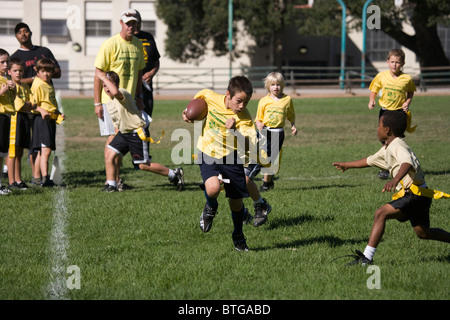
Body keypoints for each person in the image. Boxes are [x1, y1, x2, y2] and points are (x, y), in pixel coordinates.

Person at [332, 111, 450, 266]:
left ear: (387, 129)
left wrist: (395, 179)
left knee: (381, 213)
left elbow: (407, 163)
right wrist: (347, 165)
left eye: (379, 125)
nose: (377, 129)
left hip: (415, 195)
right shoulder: (388, 147)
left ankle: (367, 258)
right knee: (423, 233)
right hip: (419, 196)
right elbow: (370, 160)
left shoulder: (398, 145)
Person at [183, 76, 258, 251]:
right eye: (239, 101)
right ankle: (211, 206)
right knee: (213, 188)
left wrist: (235, 131)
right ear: (227, 95)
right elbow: (196, 104)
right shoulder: (209, 96)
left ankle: (238, 236)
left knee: (236, 203)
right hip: (207, 151)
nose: (241, 106)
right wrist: (186, 112)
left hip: (231, 157)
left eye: (246, 102)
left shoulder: (244, 118)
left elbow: (249, 145)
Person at [96, 69, 184, 192]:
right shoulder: (110, 103)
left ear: (116, 84)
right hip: (124, 133)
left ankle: (174, 174)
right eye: (104, 86)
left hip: (136, 133)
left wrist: (103, 77)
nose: (106, 88)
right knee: (110, 154)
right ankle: (111, 185)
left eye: (109, 84)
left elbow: (115, 91)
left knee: (142, 165)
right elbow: (117, 123)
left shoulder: (122, 93)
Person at [94, 9, 146, 191]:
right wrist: (97, 103)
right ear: (121, 23)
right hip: (110, 103)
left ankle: (115, 181)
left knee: (119, 141)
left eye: (134, 23)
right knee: (113, 140)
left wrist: (139, 97)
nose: (131, 26)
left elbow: (139, 73)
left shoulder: (138, 44)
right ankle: (112, 181)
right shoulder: (110, 44)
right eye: (128, 23)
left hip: (128, 103)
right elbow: (98, 74)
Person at [10, 22, 61, 181]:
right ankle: (35, 175)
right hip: (30, 104)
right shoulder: (15, 57)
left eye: (26, 31)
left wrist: (48, 71)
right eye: (20, 32)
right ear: (16, 36)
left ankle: (38, 176)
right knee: (34, 145)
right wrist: (34, 78)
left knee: (43, 144)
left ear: (31, 33)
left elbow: (57, 72)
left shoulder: (43, 51)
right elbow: (15, 80)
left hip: (47, 101)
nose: (23, 34)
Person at [368, 49, 416, 180]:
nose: (395, 65)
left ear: (403, 63)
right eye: (392, 62)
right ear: (388, 62)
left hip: (399, 113)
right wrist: (372, 100)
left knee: (395, 142)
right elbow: (374, 89)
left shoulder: (407, 78)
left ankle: (390, 168)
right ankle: (387, 166)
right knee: (383, 140)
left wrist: (407, 102)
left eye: (398, 62)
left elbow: (411, 91)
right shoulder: (381, 76)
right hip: (385, 111)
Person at [255, 72, 297, 191]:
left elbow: (291, 115)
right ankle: (265, 183)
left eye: (278, 84)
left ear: (282, 85)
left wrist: (293, 126)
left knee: (273, 158)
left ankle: (266, 183)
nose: (275, 87)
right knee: (264, 157)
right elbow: (258, 117)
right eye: (273, 84)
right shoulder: (263, 101)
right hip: (265, 132)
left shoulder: (287, 100)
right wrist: (259, 124)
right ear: (268, 86)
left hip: (278, 133)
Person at [30, 57, 65, 187]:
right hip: (41, 120)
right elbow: (32, 104)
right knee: (46, 150)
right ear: (37, 71)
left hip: (49, 119)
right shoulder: (37, 84)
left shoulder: (48, 83)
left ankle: (38, 178)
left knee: (42, 151)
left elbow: (49, 102)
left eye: (49, 71)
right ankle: (46, 179)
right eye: (43, 71)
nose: (46, 74)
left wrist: (58, 113)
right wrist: (42, 111)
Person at [7, 58, 36, 190]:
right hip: (15, 118)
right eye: (15, 71)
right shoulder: (10, 86)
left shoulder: (24, 86)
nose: (18, 73)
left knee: (20, 151)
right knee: (12, 150)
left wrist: (27, 105)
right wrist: (26, 105)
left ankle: (18, 180)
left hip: (24, 118)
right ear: (9, 72)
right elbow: (20, 105)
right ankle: (11, 181)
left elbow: (32, 104)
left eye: (20, 71)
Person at [134, 10, 161, 118]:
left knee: (146, 118)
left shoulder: (148, 37)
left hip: (146, 86)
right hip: (130, 86)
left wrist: (151, 73)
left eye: (138, 22)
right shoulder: (123, 39)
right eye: (133, 23)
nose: (136, 25)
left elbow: (156, 60)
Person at [0, 49, 16, 195]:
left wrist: (14, 89)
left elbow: (12, 99)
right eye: (2, 62)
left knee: (2, 153)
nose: (6, 65)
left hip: (7, 116)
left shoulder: (6, 79)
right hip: (0, 116)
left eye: (7, 62)